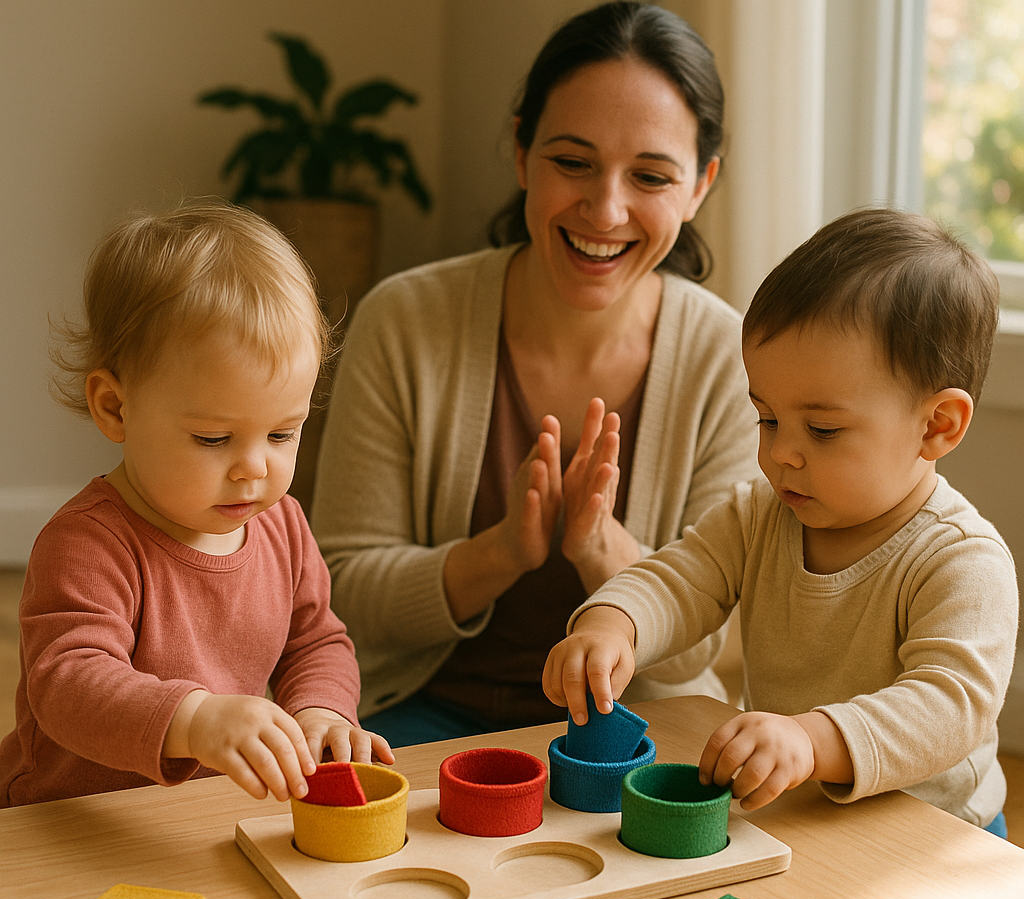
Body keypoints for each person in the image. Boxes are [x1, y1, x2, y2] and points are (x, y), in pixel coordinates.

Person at [311, 1, 758, 745]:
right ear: (521, 153)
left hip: (639, 721)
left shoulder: (726, 355)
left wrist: (599, 549)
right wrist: (497, 554)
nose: (605, 209)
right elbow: (343, 592)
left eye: (649, 176)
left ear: (701, 185)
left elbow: (701, 648)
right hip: (418, 715)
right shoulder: (406, 320)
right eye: (572, 162)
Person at [543, 207, 1017, 836]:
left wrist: (811, 738)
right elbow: (678, 580)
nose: (780, 453)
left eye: (822, 430)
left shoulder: (963, 559)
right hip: (799, 812)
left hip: (936, 833)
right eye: (767, 418)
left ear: (937, 426)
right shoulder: (759, 514)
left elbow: (948, 706)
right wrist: (614, 625)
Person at [0, 203, 393, 808]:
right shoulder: (87, 543)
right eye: (214, 438)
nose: (255, 468)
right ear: (115, 408)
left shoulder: (281, 525)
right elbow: (68, 684)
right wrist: (196, 719)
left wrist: (320, 711)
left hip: (188, 818)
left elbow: (315, 642)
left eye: (283, 434)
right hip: (65, 820)